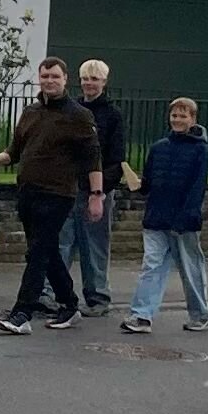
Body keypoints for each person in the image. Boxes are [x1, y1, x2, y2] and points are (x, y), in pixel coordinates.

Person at [0, 57, 103, 335]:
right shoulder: (31, 112)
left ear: (65, 79)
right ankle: (69, 305)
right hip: (28, 192)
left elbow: (92, 158)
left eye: (55, 76)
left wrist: (96, 195)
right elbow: (15, 150)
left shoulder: (79, 116)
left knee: (37, 252)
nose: (49, 81)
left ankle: (22, 313)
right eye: (45, 76)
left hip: (58, 194)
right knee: (45, 251)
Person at [121, 97, 208, 334]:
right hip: (156, 217)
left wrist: (186, 217)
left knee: (190, 269)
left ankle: (201, 314)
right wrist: (138, 185)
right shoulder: (158, 148)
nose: (177, 120)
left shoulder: (201, 150)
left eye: (183, 115)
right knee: (151, 265)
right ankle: (141, 315)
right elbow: (149, 183)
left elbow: (197, 188)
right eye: (174, 115)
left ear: (193, 119)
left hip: (184, 221)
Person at [50, 59, 125, 317]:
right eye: (85, 78)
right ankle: (54, 296)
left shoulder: (113, 115)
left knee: (94, 246)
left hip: (97, 190)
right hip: (69, 187)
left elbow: (116, 158)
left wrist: (100, 191)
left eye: (94, 79)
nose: (88, 83)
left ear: (104, 82)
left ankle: (97, 297)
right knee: (61, 244)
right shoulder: (71, 110)